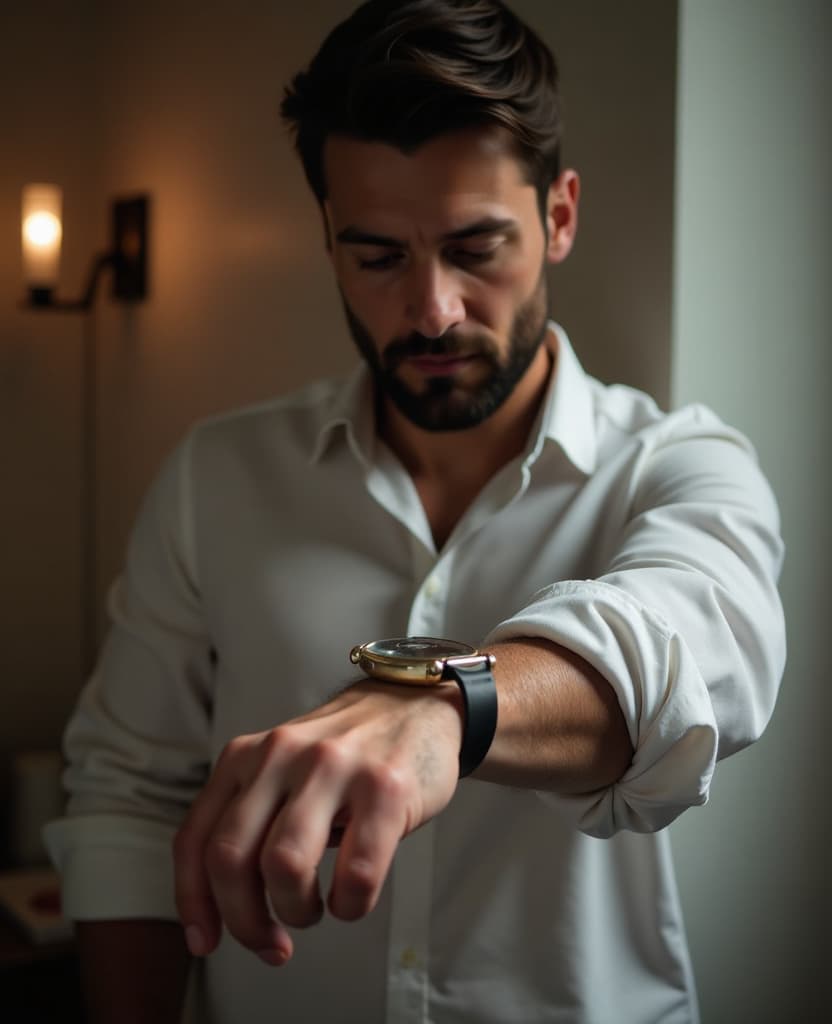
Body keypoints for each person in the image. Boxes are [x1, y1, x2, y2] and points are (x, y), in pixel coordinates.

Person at [45, 1, 786, 1022]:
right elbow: (128, 801)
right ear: (328, 240)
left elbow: (687, 649)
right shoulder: (214, 477)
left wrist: (448, 707)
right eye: (380, 256)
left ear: (559, 216)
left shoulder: (682, 466)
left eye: (476, 248)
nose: (432, 309)